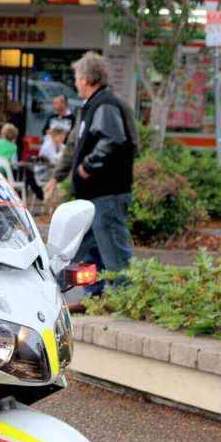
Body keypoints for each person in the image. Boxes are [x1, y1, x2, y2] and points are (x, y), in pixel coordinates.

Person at [68, 51, 136, 295]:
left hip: (106, 193)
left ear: (86, 78)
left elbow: (113, 139)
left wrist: (88, 165)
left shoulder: (104, 104)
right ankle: (94, 296)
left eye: (77, 76)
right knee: (93, 250)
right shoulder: (95, 105)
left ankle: (125, 299)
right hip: (97, 195)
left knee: (114, 252)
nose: (75, 81)